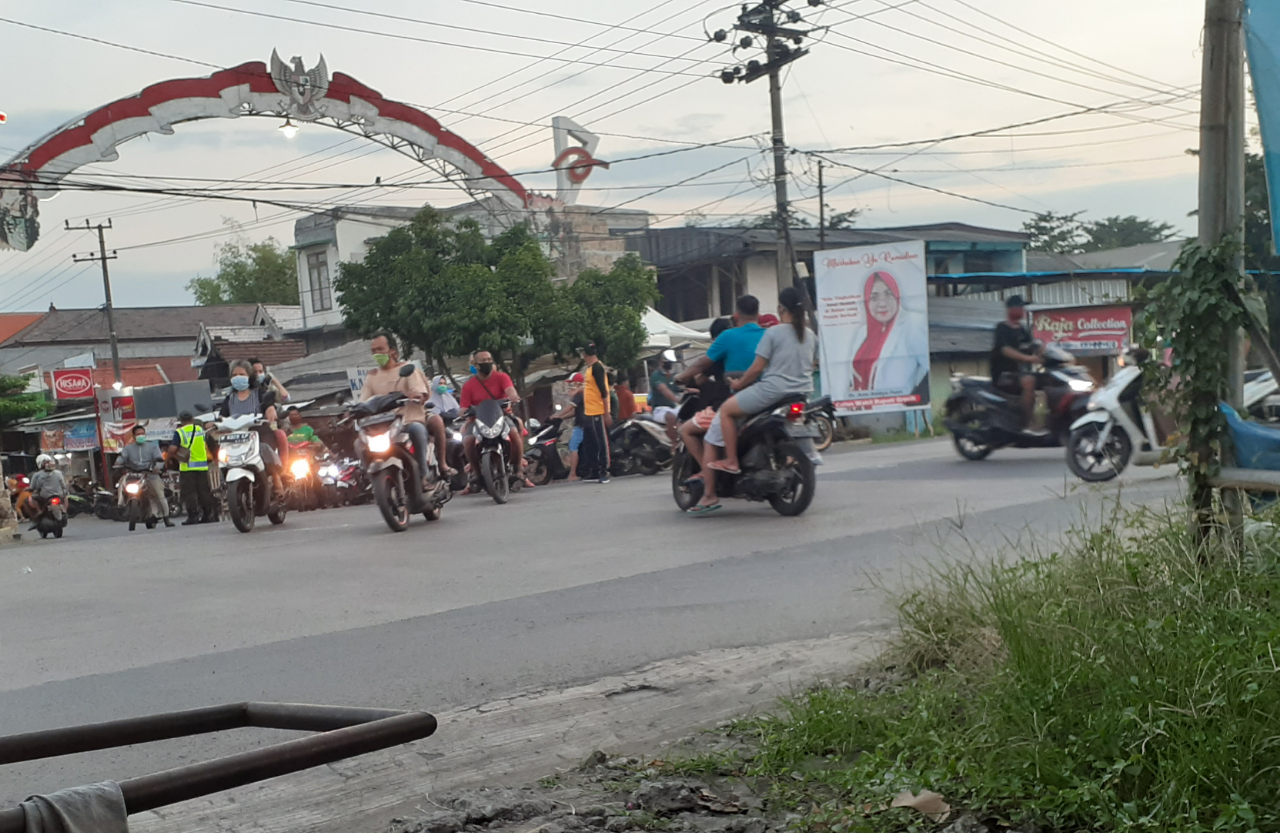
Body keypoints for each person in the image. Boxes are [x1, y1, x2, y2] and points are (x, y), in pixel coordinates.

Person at [698, 286, 816, 515]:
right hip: (802, 393)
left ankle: (731, 460)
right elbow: (810, 365)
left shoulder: (773, 333)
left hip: (772, 391)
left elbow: (755, 370)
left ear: (781, 308)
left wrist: (738, 385)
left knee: (726, 411)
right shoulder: (810, 335)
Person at [675, 299, 764, 486]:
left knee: (688, 430)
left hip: (730, 403)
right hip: (767, 396)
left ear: (737, 316)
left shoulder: (725, 343)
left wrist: (682, 376)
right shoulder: (768, 335)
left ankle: (709, 481)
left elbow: (700, 369)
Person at [358, 332, 454, 482]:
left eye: (380, 350)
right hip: (383, 426)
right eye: (374, 351)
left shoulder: (408, 370)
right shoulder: (372, 376)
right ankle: (371, 478)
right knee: (359, 443)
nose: (377, 354)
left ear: (393, 351)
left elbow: (420, 393)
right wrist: (352, 411)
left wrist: (416, 395)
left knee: (419, 428)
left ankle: (425, 474)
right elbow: (363, 401)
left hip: (409, 420)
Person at [460, 349, 527, 491]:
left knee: (514, 433)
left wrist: (513, 397)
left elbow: (510, 391)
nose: (487, 363)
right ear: (475, 365)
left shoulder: (502, 377)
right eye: (483, 361)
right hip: (477, 421)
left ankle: (518, 468)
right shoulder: (468, 385)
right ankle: (477, 474)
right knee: (467, 441)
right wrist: (464, 412)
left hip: (501, 417)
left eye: (489, 360)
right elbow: (463, 408)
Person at [220, 358, 285, 498]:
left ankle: (276, 478)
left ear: (249, 376)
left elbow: (268, 405)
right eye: (234, 375)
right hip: (237, 438)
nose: (238, 378)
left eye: (242, 375)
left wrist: (270, 410)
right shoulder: (229, 398)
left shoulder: (259, 394)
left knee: (265, 449)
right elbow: (221, 416)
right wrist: (212, 424)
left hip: (259, 433)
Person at [991, 295, 1042, 428]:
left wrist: (1044, 351)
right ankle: (1026, 422)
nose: (1022, 310)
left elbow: (1033, 346)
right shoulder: (1001, 328)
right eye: (1020, 307)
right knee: (1029, 382)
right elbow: (1005, 349)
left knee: (1047, 379)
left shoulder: (1023, 329)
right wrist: (1027, 359)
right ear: (1011, 309)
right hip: (1004, 374)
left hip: (1020, 373)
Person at [116, 424, 174, 526]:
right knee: (122, 481)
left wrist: (157, 467)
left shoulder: (153, 446)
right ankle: (121, 503)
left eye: (142, 433)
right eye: (138, 434)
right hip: (134, 475)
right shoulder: (128, 448)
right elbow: (122, 457)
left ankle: (166, 518)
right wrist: (118, 463)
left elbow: (159, 459)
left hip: (150, 474)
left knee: (159, 494)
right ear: (133, 436)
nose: (141, 436)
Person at [171, 411, 217, 525]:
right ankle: (208, 515)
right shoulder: (200, 430)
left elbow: (172, 449)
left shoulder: (180, 432)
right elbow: (210, 444)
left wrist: (175, 457)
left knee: (190, 493)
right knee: (204, 492)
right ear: (192, 419)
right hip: (202, 466)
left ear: (180, 421)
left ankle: (193, 517)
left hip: (187, 468)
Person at [578, 342, 612, 484]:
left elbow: (603, 391)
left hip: (598, 411)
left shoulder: (598, 368)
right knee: (589, 443)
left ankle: (604, 471)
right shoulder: (589, 369)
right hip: (589, 411)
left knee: (601, 443)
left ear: (586, 354)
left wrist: (606, 412)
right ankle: (593, 470)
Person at [25, 454, 67, 526]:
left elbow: (33, 487)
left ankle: (39, 511)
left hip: (44, 496)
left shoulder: (37, 475)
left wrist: (29, 489)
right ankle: (64, 509)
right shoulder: (58, 473)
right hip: (59, 494)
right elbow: (63, 485)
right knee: (66, 496)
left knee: (32, 498)